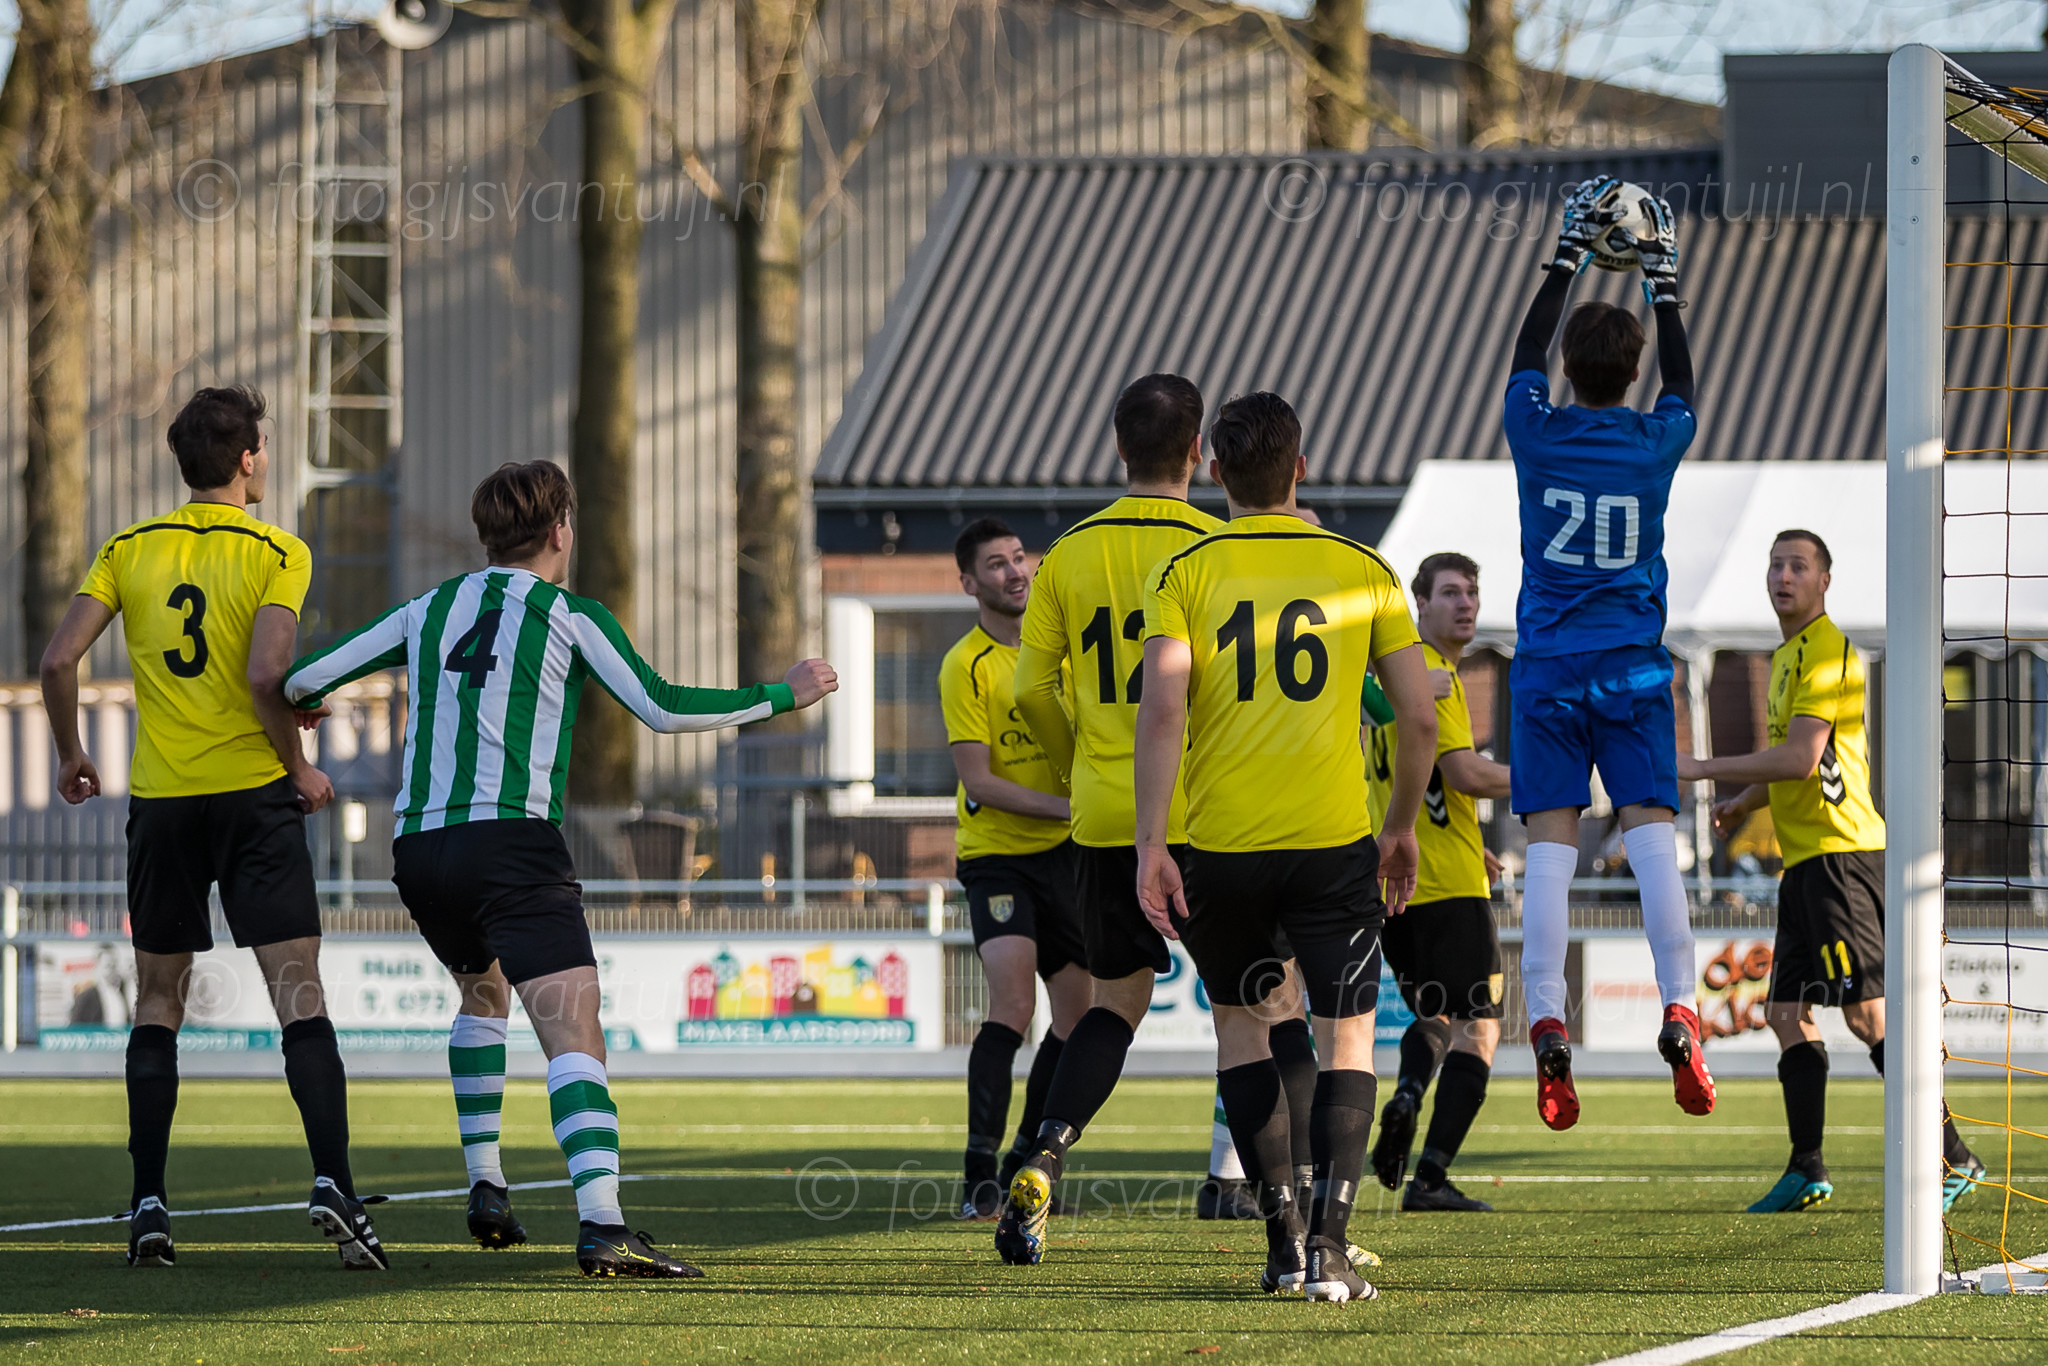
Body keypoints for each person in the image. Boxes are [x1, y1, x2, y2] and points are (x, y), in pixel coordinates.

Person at [283, 460, 837, 1278]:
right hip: (510, 842)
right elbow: (661, 707)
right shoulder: (569, 615)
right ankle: (603, 1222)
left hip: (422, 850)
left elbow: (303, 677)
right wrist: (783, 694)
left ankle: (486, 1183)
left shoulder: (429, 608)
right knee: (574, 1028)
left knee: (483, 992)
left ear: (486, 535)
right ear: (560, 531)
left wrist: (307, 708)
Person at [39, 385, 384, 1270]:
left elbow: (58, 659)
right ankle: (335, 1187)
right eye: (261, 447)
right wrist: (299, 766)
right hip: (253, 800)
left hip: (163, 802)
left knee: (158, 1002)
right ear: (247, 458)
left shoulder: (128, 548)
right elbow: (267, 675)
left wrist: (72, 752)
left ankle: (149, 1204)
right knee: (298, 995)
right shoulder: (277, 550)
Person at [1134, 390, 1438, 1303]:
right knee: (1347, 1037)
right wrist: (1400, 827)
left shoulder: (1184, 571)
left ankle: (1281, 1245)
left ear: (1214, 470)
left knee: (1244, 1030)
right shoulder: (1363, 568)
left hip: (1222, 848)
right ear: (1300, 467)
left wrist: (1152, 843)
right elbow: (1420, 718)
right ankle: (1331, 1253)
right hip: (1331, 846)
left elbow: (1163, 710)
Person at [995, 374, 1253, 1266]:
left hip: (1107, 815)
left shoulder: (1068, 553)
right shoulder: (1217, 546)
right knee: (1257, 1006)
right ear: (1199, 455)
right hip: (1214, 812)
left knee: (1111, 1006)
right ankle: (1274, 1202)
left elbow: (1032, 689)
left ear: (1117, 448)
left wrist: (1083, 764)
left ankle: (1045, 1152)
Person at [1679, 530, 1986, 1213]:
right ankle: (1807, 1167)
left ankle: (1955, 1157)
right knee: (1784, 1012)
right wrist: (1743, 800)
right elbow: (1799, 763)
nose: (1783, 576)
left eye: (1799, 566)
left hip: (1841, 856)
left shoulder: (1827, 650)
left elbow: (1799, 758)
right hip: (1805, 863)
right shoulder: (1785, 656)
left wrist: (1702, 769)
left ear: (1824, 581)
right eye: (1775, 565)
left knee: (1869, 1016)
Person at [1504, 176, 1714, 1130]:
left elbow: (1523, 355)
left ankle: (1549, 1021)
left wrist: (1563, 260)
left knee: (1550, 850)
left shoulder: (1535, 431)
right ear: (1630, 374)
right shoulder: (1654, 443)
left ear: (1569, 373)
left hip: (1549, 668)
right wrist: (1663, 284)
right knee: (1652, 841)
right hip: (1632, 666)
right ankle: (1680, 1007)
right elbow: (1686, 389)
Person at [939, 517, 1091, 1219]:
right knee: (1014, 1006)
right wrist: (1070, 805)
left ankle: (1028, 1164)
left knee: (1079, 1015)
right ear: (969, 584)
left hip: (1065, 856)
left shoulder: (1060, 653)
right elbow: (980, 781)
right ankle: (978, 1179)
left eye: (1019, 557)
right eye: (996, 564)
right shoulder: (965, 665)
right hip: (998, 857)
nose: (1015, 571)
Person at [1364, 552, 1511, 1212]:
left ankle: (1405, 1095)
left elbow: (1407, 782)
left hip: (1398, 886)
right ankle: (1430, 1175)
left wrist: (1473, 843)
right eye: (1450, 592)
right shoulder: (1434, 677)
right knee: (1481, 1029)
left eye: (1471, 592)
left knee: (1435, 1014)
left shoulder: (1385, 684)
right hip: (1446, 883)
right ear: (1418, 605)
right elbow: (1464, 774)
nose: (1466, 603)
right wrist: (1553, 783)